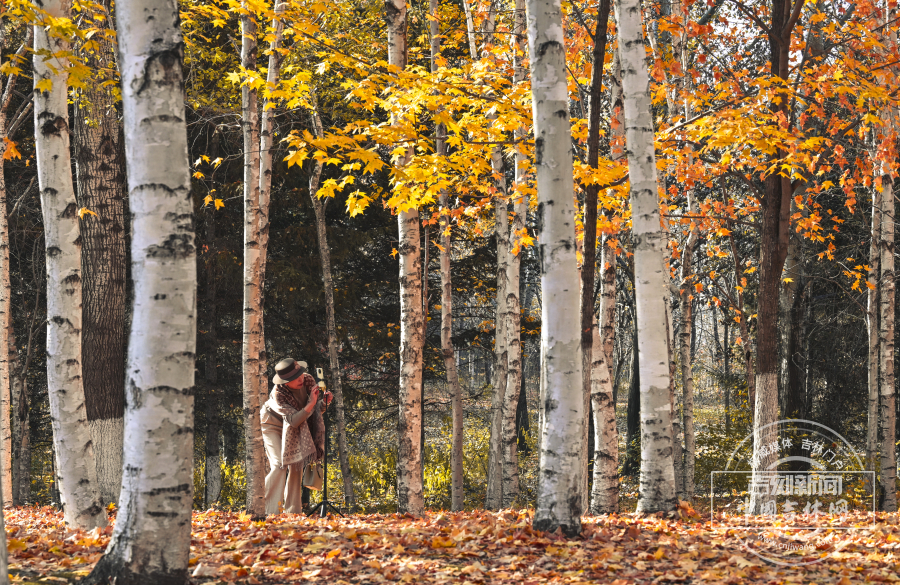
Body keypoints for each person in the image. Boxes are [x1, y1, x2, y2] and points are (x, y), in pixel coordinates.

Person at [261, 358, 333, 514]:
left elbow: (313, 411)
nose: (300, 379)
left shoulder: (308, 380)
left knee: (296, 462)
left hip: (297, 424)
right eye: (294, 378)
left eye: (300, 374)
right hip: (273, 425)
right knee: (280, 465)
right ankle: (267, 509)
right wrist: (311, 404)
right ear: (285, 382)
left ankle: (293, 511)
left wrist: (324, 403)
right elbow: (293, 421)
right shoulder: (278, 394)